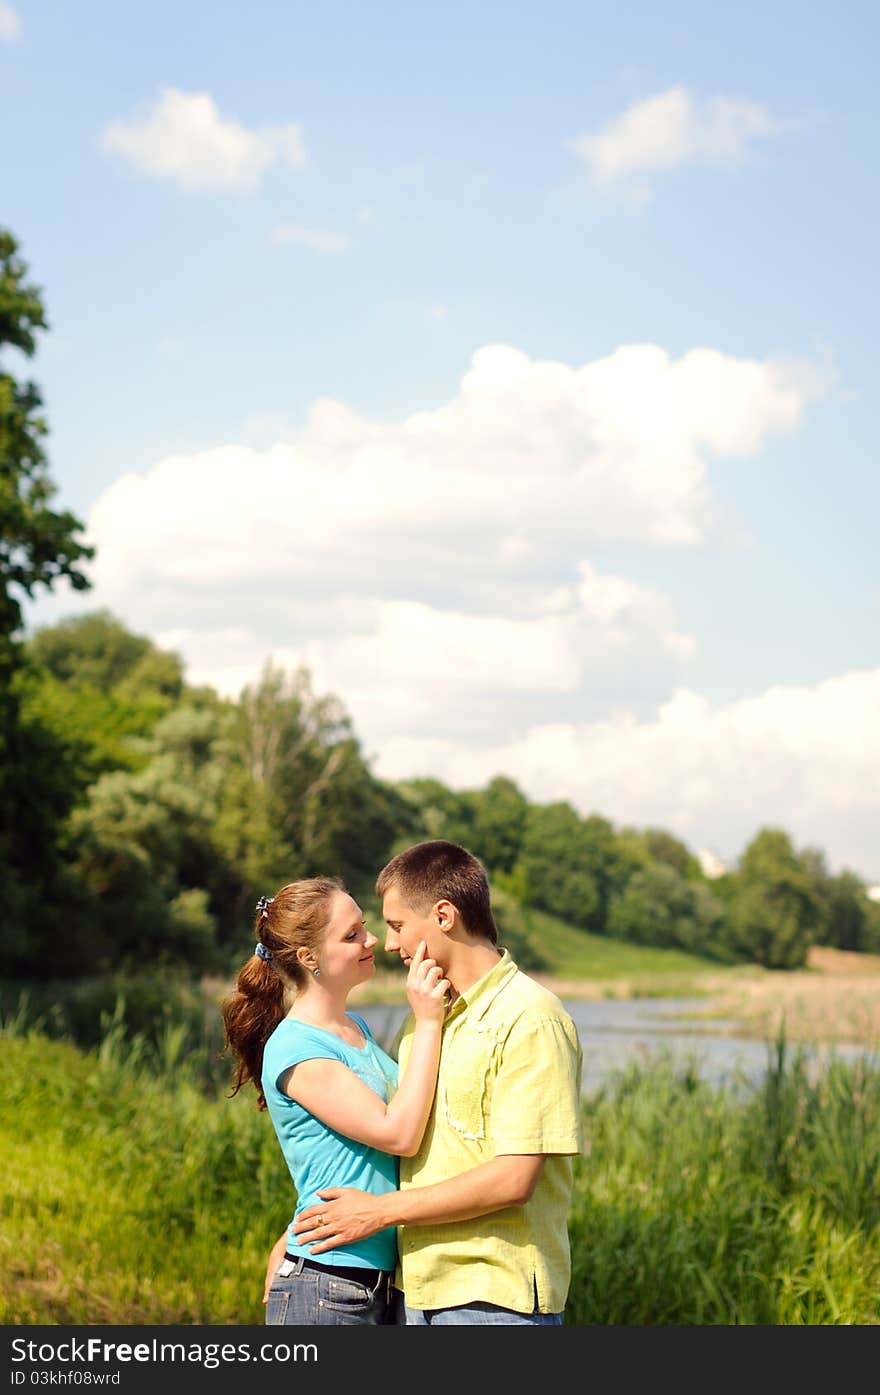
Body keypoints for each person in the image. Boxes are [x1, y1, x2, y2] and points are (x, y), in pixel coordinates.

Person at [282, 840, 584, 1326]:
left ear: (444, 916)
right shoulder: (426, 1019)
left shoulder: (530, 1018)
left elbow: (515, 1178)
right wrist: (299, 1240)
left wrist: (379, 1212)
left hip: (492, 1300)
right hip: (414, 1290)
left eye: (398, 926)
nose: (391, 944)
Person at [221, 875, 449, 1325]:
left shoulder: (356, 1029)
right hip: (327, 1284)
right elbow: (398, 1134)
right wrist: (427, 1022)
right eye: (352, 935)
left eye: (364, 926)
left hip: (372, 1282)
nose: (373, 939)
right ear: (309, 958)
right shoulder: (295, 1048)